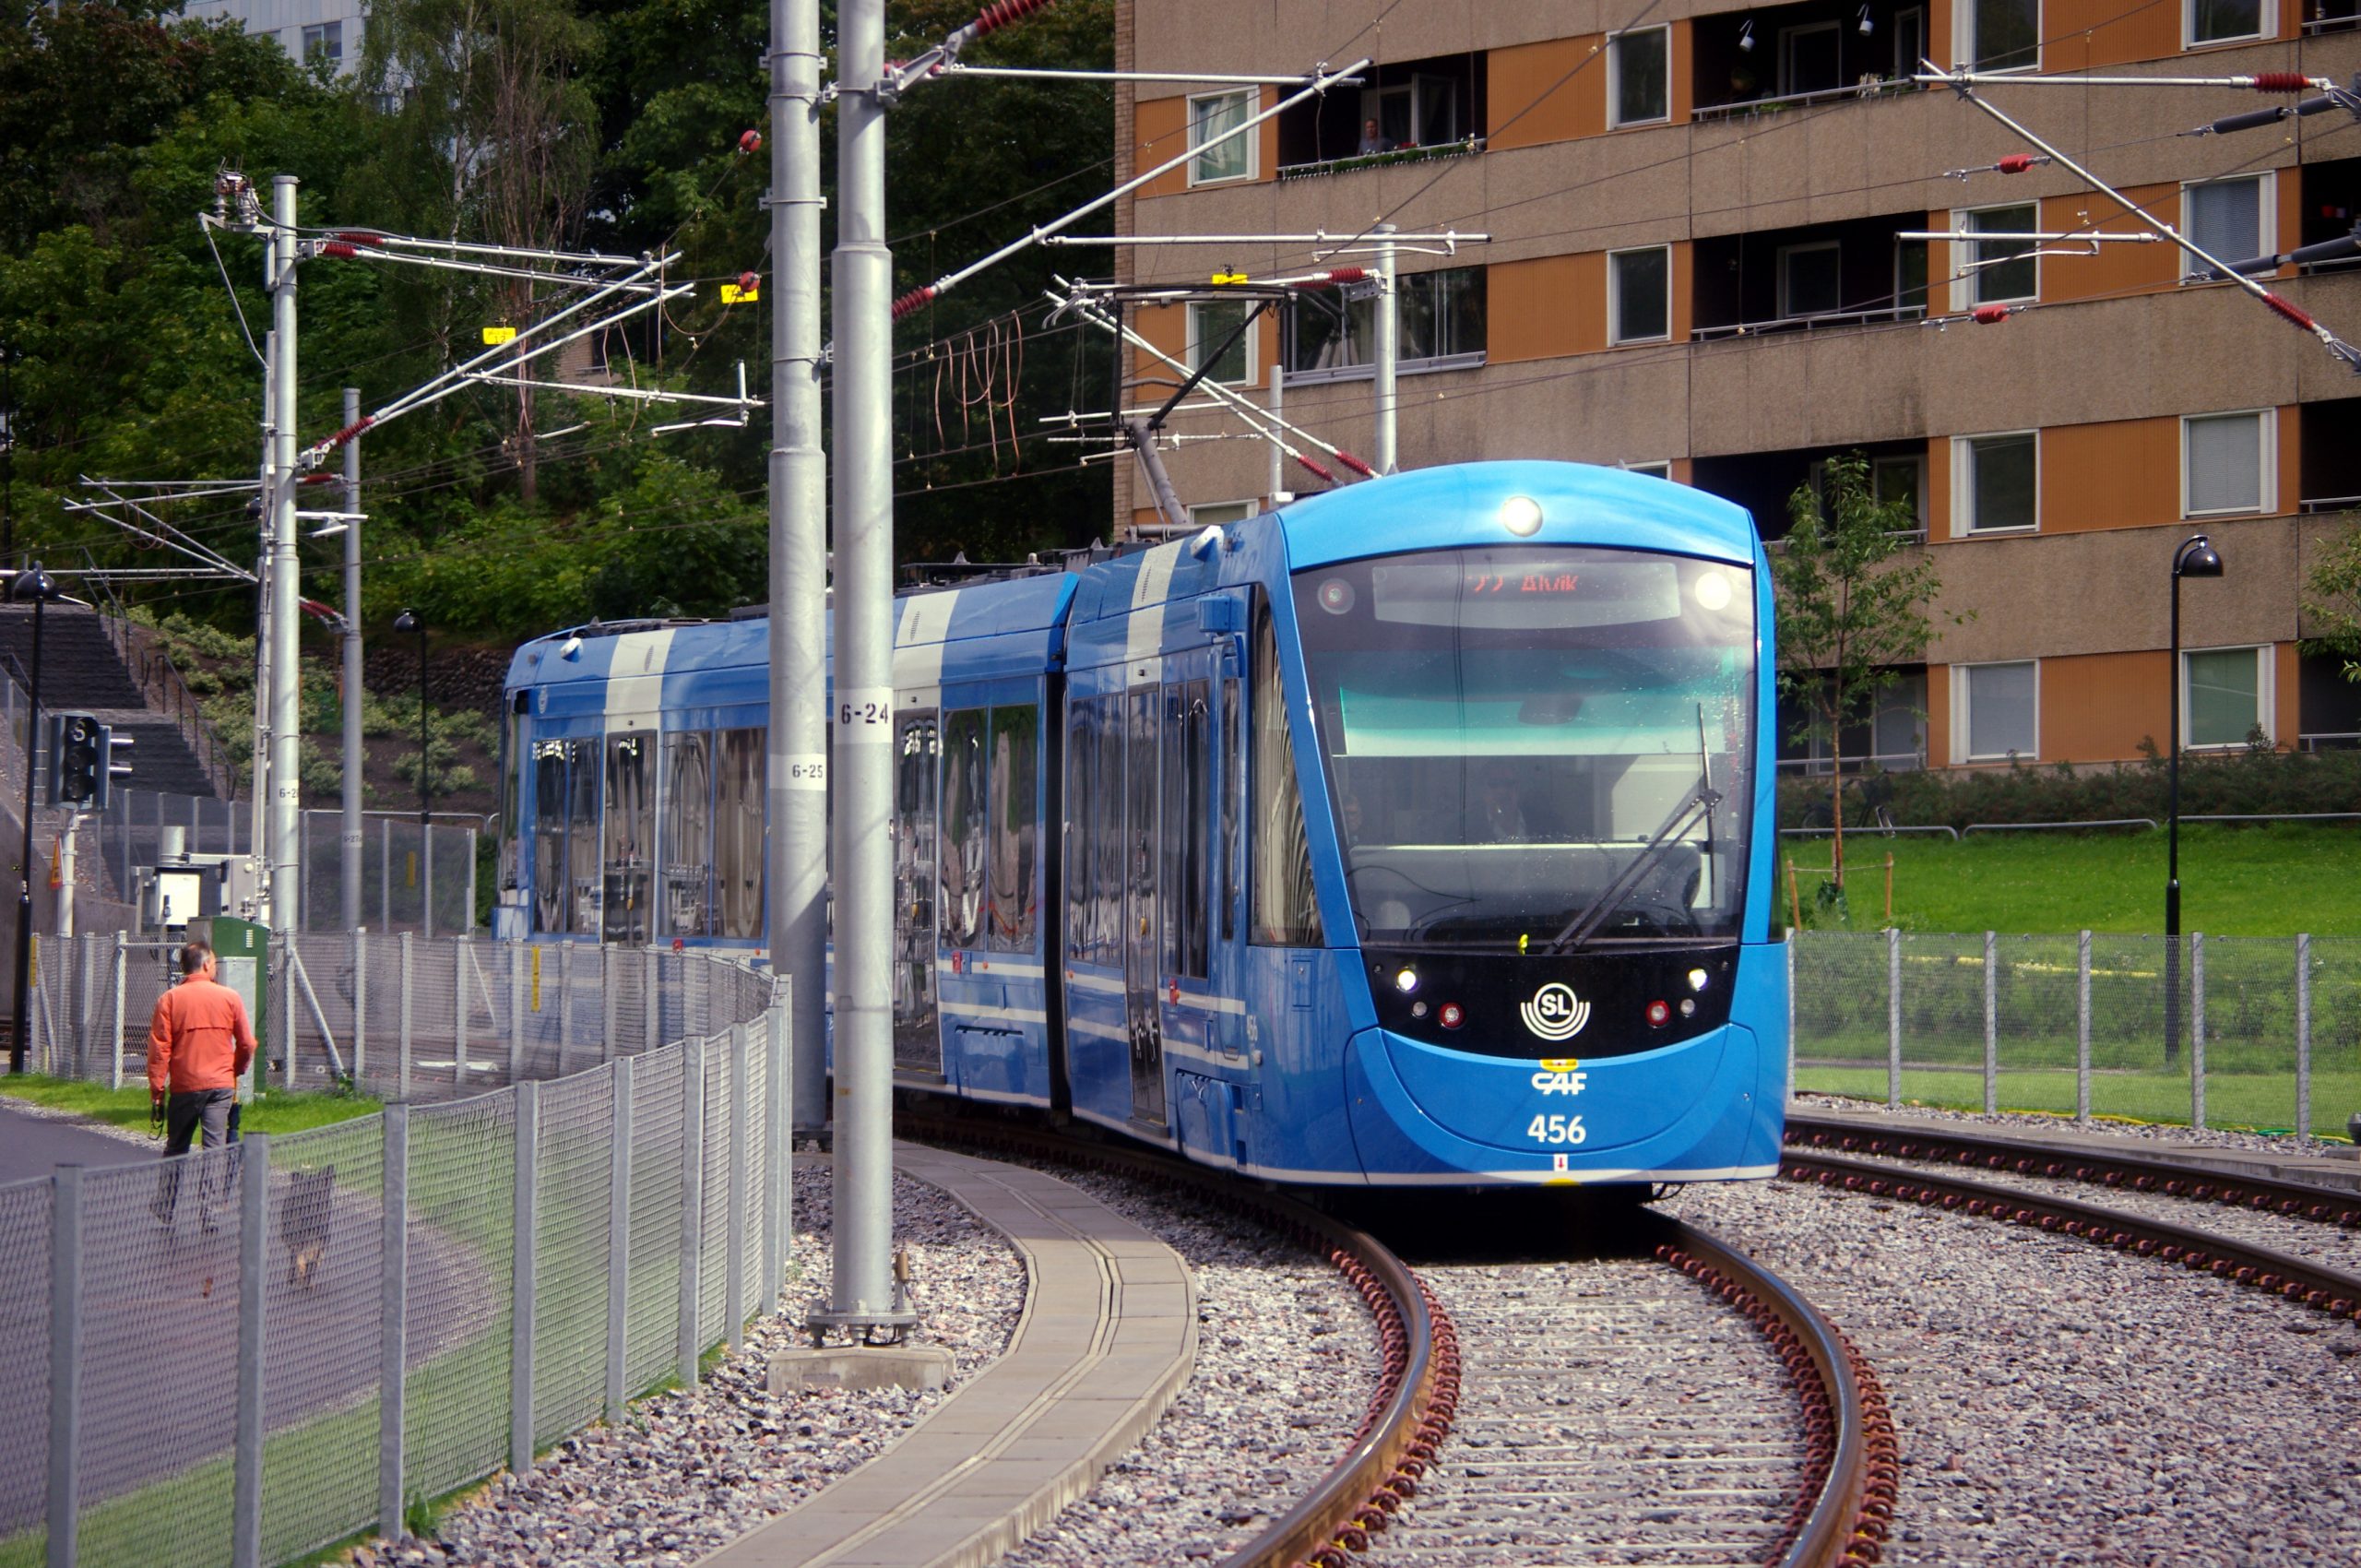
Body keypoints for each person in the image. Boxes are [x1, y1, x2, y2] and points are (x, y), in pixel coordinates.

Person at [148, 939, 256, 1229]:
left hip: (184, 1086)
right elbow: (247, 1043)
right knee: (214, 1148)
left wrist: (157, 1093)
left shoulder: (169, 1000)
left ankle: (165, 1206)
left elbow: (160, 1051)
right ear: (207, 964)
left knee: (176, 1147)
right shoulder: (230, 997)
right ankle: (209, 1214)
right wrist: (236, 1069)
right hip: (220, 1086)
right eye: (215, 963)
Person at [1475, 764, 1529, 842]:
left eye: (1509, 784)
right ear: (1482, 790)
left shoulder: (1542, 821)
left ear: (1519, 788)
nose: (1502, 791)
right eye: (1493, 784)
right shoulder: (1464, 828)